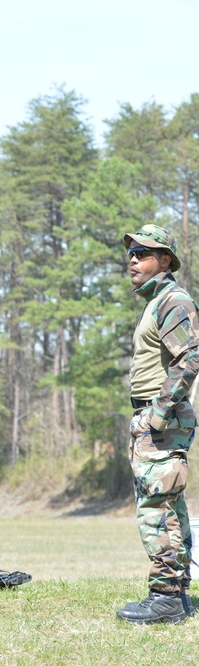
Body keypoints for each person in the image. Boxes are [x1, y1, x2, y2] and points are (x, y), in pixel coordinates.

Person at [117, 224, 198, 625]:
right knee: (168, 504)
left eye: (143, 252)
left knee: (155, 506)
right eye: (131, 252)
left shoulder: (173, 300)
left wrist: (158, 414)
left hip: (160, 419)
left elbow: (190, 359)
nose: (133, 258)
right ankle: (178, 595)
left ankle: (165, 595)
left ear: (165, 260)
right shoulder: (156, 302)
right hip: (154, 416)